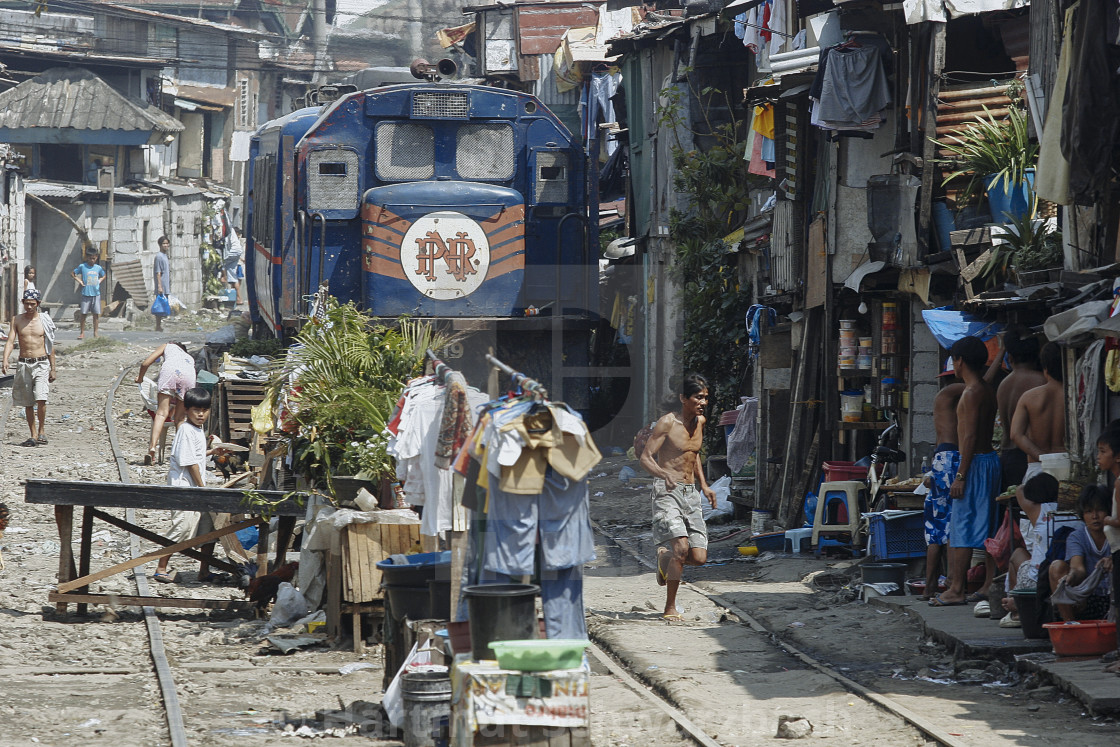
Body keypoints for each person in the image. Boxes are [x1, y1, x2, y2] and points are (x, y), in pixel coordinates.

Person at [930, 336, 1001, 607]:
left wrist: (960, 475)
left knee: (961, 527)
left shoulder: (971, 393)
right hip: (986, 461)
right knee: (988, 526)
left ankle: (956, 588)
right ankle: (987, 585)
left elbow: (968, 437)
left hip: (975, 463)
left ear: (959, 361)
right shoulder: (983, 388)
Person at [639, 373, 717, 620]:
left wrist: (704, 486)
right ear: (684, 398)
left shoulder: (700, 422)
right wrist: (663, 474)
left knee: (698, 557)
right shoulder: (667, 423)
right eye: (698, 397)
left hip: (690, 493)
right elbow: (645, 457)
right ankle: (670, 608)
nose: (703, 402)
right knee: (681, 549)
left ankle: (664, 559)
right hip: (667, 491)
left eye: (705, 397)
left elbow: (694, 456)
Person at [153, 387, 225, 583]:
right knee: (182, 527)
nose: (201, 414)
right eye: (196, 410)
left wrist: (212, 453)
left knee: (208, 528)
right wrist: (203, 488)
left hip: (195, 487)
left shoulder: (197, 429)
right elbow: (190, 462)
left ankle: (204, 570)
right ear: (186, 409)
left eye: (204, 410)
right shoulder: (185, 429)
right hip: (184, 488)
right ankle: (161, 567)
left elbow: (196, 455)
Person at [923, 366, 964, 601]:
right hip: (950, 459)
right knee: (950, 527)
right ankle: (951, 583)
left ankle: (930, 587)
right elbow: (981, 386)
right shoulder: (952, 393)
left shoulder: (947, 401)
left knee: (936, 530)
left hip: (941, 459)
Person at [998, 473, 1059, 627]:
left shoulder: (1037, 509)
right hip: (1057, 573)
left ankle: (1016, 609)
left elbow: (1019, 489)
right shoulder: (1067, 510)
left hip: (1037, 580)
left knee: (1017, 554)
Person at [1049, 485, 1112, 622]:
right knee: (1056, 567)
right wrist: (1070, 577)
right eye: (1089, 511)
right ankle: (1070, 626)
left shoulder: (1115, 534)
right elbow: (1078, 568)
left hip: (1113, 598)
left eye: (1099, 510)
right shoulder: (1077, 537)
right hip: (1088, 599)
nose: (1095, 516)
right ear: (1083, 514)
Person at [2, 289, 57, 447]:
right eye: (27, 303)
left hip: (41, 362)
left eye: (32, 304)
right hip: (24, 363)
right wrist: (5, 359)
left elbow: (50, 345)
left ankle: (42, 431)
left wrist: (53, 368)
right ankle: (33, 434)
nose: (29, 307)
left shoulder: (43, 320)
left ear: (38, 304)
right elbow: (11, 341)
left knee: (41, 398)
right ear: (23, 303)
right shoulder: (17, 320)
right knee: (28, 402)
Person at [992, 329, 1044, 490]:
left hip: (1007, 455)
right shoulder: (1041, 382)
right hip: (1030, 456)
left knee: (1012, 510)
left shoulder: (1004, 384)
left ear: (1010, 358)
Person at [1011, 342, 1066, 481]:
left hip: (1037, 468)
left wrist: (1042, 457)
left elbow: (1016, 434)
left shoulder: (1029, 397)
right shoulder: (1076, 396)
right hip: (1068, 465)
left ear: (1045, 368)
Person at [135, 341, 197, 466]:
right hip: (189, 375)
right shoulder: (189, 358)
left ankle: (152, 448)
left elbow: (145, 363)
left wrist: (140, 378)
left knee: (161, 414)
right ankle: (182, 452)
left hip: (170, 372)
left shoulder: (168, 346)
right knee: (180, 418)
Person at [72, 246, 105, 339]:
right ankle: (82, 332)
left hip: (96, 294)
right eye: (90, 258)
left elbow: (103, 275)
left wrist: (100, 280)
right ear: (87, 258)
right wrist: (80, 281)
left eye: (93, 259)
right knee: (83, 314)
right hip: (85, 294)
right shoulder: (82, 266)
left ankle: (95, 333)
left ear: (96, 258)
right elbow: (73, 274)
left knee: (96, 314)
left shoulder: (98, 268)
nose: (92, 260)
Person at [153, 236, 171, 332]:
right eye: (164, 243)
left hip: (165, 285)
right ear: (160, 245)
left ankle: (159, 325)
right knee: (159, 306)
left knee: (163, 305)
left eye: (167, 243)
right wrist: (159, 286)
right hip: (161, 285)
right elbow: (158, 272)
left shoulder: (165, 256)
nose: (166, 245)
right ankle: (158, 325)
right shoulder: (159, 256)